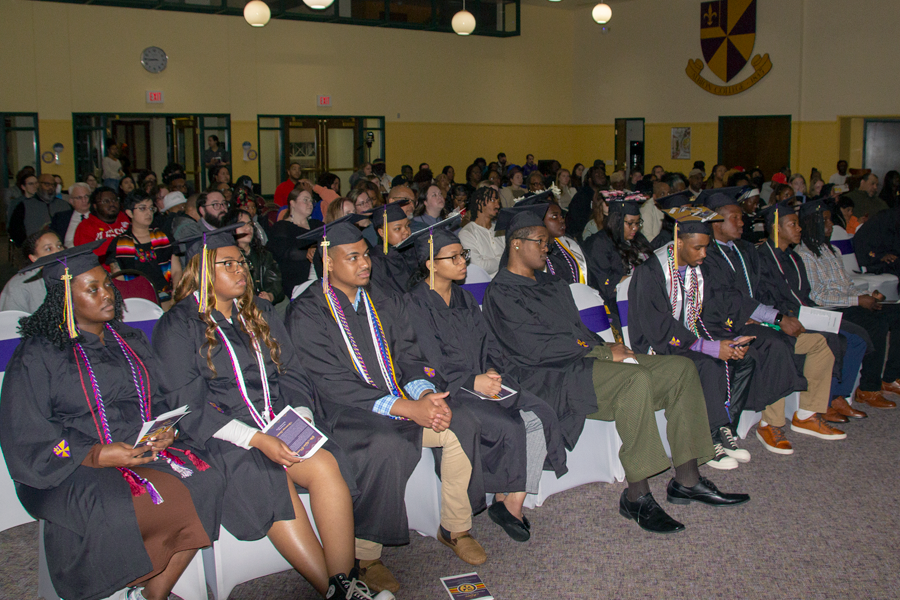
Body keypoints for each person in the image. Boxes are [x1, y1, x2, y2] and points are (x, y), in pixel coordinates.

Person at [153, 225, 388, 600]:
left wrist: (300, 420)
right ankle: (332, 590)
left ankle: (344, 582)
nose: (240, 270)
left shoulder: (259, 312)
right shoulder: (178, 325)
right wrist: (257, 439)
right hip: (222, 438)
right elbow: (186, 403)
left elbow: (292, 372)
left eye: (241, 262)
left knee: (326, 464)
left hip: (278, 424)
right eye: (227, 264)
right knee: (269, 478)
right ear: (201, 272)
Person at [481, 209, 748, 535]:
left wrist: (611, 350)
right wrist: (604, 351)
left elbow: (577, 331)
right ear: (516, 245)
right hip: (551, 377)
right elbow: (533, 349)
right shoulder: (502, 292)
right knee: (633, 381)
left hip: (586, 362)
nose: (547, 248)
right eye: (540, 242)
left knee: (681, 368)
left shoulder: (552, 283)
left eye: (547, 242)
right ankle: (636, 495)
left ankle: (687, 480)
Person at [0, 243, 224, 600]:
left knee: (209, 480)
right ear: (64, 300)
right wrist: (97, 455)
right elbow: (26, 430)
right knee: (128, 506)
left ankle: (154, 593)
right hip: (69, 466)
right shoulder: (38, 353)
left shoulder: (129, 338)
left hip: (138, 449)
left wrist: (167, 430)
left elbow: (163, 397)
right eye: (93, 289)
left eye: (107, 284)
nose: (108, 294)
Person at [286, 220, 485, 594]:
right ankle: (365, 556)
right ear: (328, 263)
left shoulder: (385, 299)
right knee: (386, 445)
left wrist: (424, 395)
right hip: (345, 414)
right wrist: (407, 409)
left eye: (366, 255)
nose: (366, 263)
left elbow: (410, 356)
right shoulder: (308, 311)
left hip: (401, 402)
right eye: (353, 257)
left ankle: (455, 528)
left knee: (461, 420)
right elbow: (332, 383)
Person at [404, 226, 568, 541]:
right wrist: (472, 382)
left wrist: (492, 371)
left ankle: (511, 501)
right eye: (453, 257)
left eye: (463, 255)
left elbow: (489, 344)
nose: (463, 262)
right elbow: (427, 363)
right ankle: (501, 503)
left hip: (482, 384)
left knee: (540, 412)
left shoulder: (464, 298)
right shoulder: (415, 305)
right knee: (512, 425)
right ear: (431, 264)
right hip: (451, 392)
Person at [629, 204, 804, 467]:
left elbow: (718, 304)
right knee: (708, 363)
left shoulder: (699, 268)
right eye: (697, 248)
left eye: (706, 247)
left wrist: (727, 340)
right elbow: (659, 327)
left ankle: (724, 428)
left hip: (690, 334)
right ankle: (706, 441)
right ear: (677, 243)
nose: (704, 254)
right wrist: (709, 348)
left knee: (745, 357)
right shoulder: (651, 272)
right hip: (660, 344)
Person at [755, 202, 868, 439]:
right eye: (793, 224)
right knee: (827, 340)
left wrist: (811, 315)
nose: (799, 229)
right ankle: (810, 409)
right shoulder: (759, 259)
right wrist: (789, 315)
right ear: (776, 228)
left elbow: (805, 295)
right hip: (775, 322)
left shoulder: (793, 259)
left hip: (804, 315)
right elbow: (762, 299)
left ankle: (809, 412)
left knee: (844, 335)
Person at [796, 200, 900, 412]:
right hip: (829, 310)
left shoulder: (832, 250)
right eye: (824, 220)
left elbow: (846, 285)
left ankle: (890, 376)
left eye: (830, 219)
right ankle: (868, 389)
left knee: (896, 314)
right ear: (810, 223)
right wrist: (858, 301)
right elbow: (818, 296)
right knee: (876, 325)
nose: (830, 224)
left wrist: (867, 295)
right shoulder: (804, 254)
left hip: (847, 303)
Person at [106, 191, 182, 307]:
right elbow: (119, 279)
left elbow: (176, 271)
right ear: (130, 213)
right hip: (136, 301)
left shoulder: (164, 237)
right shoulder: (119, 243)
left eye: (151, 208)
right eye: (142, 209)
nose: (148, 213)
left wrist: (176, 294)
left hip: (166, 298)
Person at [583, 192, 653, 316]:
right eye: (630, 223)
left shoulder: (638, 239)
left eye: (638, 223)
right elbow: (606, 283)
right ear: (617, 221)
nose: (635, 228)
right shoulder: (598, 244)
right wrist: (643, 279)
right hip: (616, 308)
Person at [267, 187, 323, 297]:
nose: (310, 204)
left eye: (311, 201)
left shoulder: (318, 225)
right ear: (292, 203)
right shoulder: (281, 227)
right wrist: (313, 251)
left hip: (320, 278)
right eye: (305, 200)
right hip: (294, 280)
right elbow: (288, 253)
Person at [224, 208, 284, 304]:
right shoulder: (226, 257)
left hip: (264, 302)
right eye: (242, 224)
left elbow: (275, 281)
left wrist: (270, 295)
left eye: (250, 224)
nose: (248, 228)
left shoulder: (263, 254)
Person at [0, 228, 62, 312]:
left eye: (59, 246)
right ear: (34, 258)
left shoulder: (69, 275)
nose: (58, 251)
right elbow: (10, 321)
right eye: (48, 249)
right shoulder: (18, 286)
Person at [367, 201, 419, 297]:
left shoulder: (413, 251)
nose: (406, 232)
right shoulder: (376, 262)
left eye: (407, 225)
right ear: (382, 232)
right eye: (398, 229)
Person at [9, 173, 70, 247]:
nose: (51, 187)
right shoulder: (24, 206)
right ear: (38, 185)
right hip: (34, 248)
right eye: (47, 184)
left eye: (53, 185)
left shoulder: (64, 205)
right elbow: (15, 230)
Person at [458, 187, 505, 278]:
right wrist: (503, 259)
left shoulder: (500, 230)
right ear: (479, 203)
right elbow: (478, 266)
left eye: (498, 202)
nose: (497, 206)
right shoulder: (467, 233)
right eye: (492, 200)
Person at [74, 186, 131, 260]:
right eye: (106, 201)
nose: (111, 204)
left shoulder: (125, 218)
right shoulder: (85, 227)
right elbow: (85, 258)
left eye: (115, 200)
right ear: (95, 206)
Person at [48, 182, 92, 248]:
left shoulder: (99, 217)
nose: (84, 200)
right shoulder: (60, 218)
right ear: (71, 201)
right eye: (79, 198)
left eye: (86, 196)